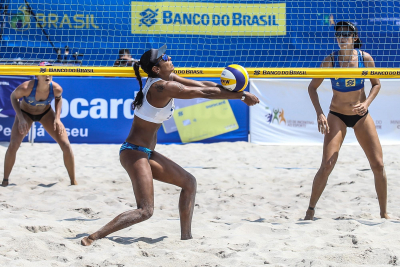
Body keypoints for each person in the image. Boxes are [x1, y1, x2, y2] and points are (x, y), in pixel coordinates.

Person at [81, 45, 259, 246]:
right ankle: (92, 237)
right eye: (164, 57)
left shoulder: (168, 79)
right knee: (145, 211)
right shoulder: (161, 87)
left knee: (189, 183)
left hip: (146, 153)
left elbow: (204, 85)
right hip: (133, 153)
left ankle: (186, 239)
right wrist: (242, 96)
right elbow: (203, 94)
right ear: (156, 69)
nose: (170, 57)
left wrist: (230, 87)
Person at [304, 21, 389, 220]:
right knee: (327, 165)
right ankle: (310, 210)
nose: (342, 37)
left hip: (361, 116)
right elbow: (311, 87)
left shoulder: (365, 58)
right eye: (339, 34)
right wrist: (320, 113)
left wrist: (366, 103)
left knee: (378, 165)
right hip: (337, 116)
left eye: (346, 34)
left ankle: (384, 213)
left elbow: (376, 84)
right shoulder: (330, 60)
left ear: (354, 38)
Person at [2, 62, 77, 187]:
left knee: (66, 144)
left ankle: (73, 181)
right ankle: (5, 180)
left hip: (46, 113)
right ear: (37, 75)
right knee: (14, 144)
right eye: (43, 72)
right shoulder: (26, 88)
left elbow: (58, 98)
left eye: (49, 71)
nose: (47, 75)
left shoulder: (56, 88)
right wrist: (20, 118)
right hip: (25, 113)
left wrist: (57, 119)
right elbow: (13, 97)